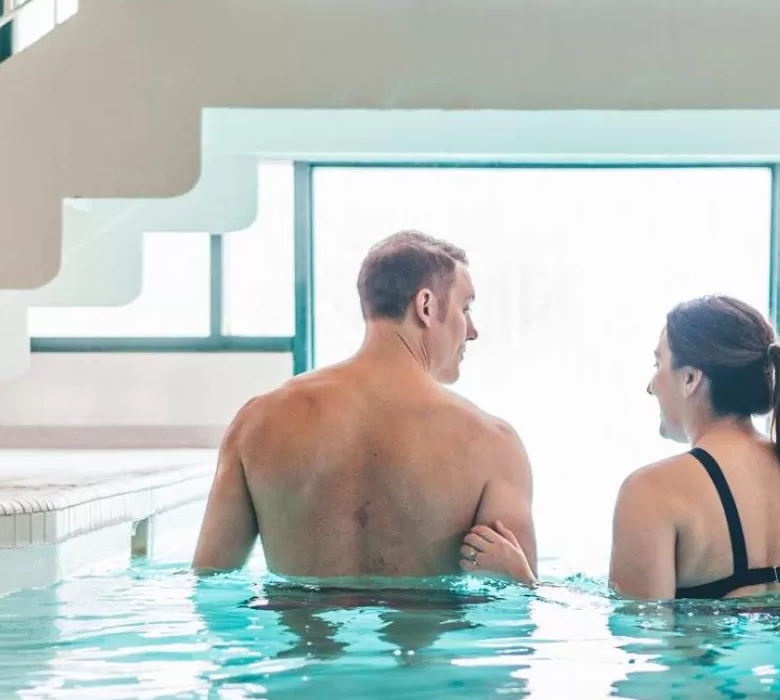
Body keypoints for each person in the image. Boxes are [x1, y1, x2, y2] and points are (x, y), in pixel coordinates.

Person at [461, 294, 780, 596]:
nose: (651, 385)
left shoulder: (654, 492)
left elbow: (638, 631)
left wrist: (524, 584)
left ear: (690, 379)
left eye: (658, 363)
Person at [194, 229, 537, 578]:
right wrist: (523, 580)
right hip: (422, 626)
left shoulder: (256, 422)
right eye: (466, 308)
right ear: (427, 306)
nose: (472, 330)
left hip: (301, 629)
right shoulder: (493, 443)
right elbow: (518, 607)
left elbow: (209, 581)